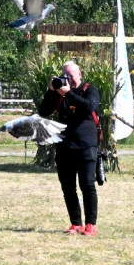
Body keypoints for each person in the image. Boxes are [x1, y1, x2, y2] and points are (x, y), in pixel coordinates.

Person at [37, 61, 101, 236]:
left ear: (79, 74)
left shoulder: (90, 89)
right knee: (68, 187)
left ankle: (90, 224)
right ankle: (75, 223)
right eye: (66, 76)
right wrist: (52, 91)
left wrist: (69, 94)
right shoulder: (59, 93)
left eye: (72, 76)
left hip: (86, 145)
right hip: (65, 146)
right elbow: (43, 111)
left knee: (87, 184)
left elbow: (89, 107)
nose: (69, 79)